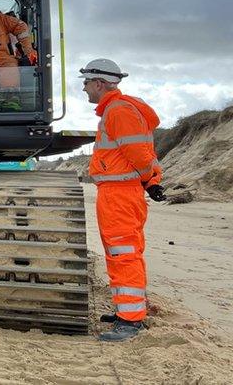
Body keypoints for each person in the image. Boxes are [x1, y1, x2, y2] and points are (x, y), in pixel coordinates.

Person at [80, 58, 167, 342]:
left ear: (99, 83)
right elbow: (140, 154)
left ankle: (130, 321)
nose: (84, 88)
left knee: (123, 253)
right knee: (121, 253)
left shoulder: (118, 111)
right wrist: (150, 181)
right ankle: (127, 311)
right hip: (118, 193)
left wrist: (149, 179)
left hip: (120, 194)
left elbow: (140, 155)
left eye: (86, 83)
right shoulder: (117, 110)